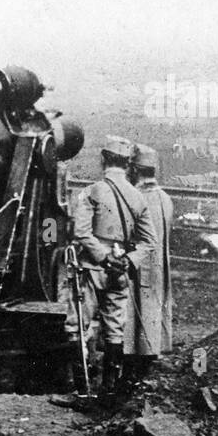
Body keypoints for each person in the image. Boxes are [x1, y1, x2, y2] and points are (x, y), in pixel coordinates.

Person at [61, 135, 158, 399]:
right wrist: (126, 260)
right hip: (120, 271)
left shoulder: (92, 191)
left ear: (103, 159)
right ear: (128, 164)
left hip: (92, 268)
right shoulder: (138, 197)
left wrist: (103, 257)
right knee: (114, 328)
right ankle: (109, 392)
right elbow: (150, 242)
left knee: (76, 326)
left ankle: (82, 392)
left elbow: (81, 232)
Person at [123, 143, 173, 386]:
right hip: (158, 269)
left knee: (135, 320)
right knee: (152, 315)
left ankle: (131, 373)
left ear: (135, 170)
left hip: (139, 268)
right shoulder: (165, 198)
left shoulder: (137, 198)